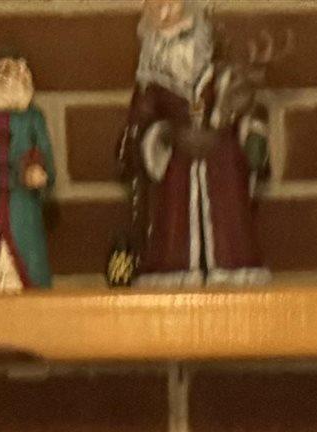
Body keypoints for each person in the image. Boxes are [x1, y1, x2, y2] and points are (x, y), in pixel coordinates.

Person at [117, 0, 270, 287]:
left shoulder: (221, 72)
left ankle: (230, 263)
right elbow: (135, 133)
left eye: (173, 6)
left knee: (228, 223)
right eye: (156, 8)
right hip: (175, 168)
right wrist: (167, 136)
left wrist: (250, 133)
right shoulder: (150, 85)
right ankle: (175, 268)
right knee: (173, 224)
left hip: (221, 164)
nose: (165, 13)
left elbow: (246, 110)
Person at [0, 53, 56, 293]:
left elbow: (45, 154)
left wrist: (39, 173)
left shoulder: (33, 119)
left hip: (22, 202)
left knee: (26, 252)